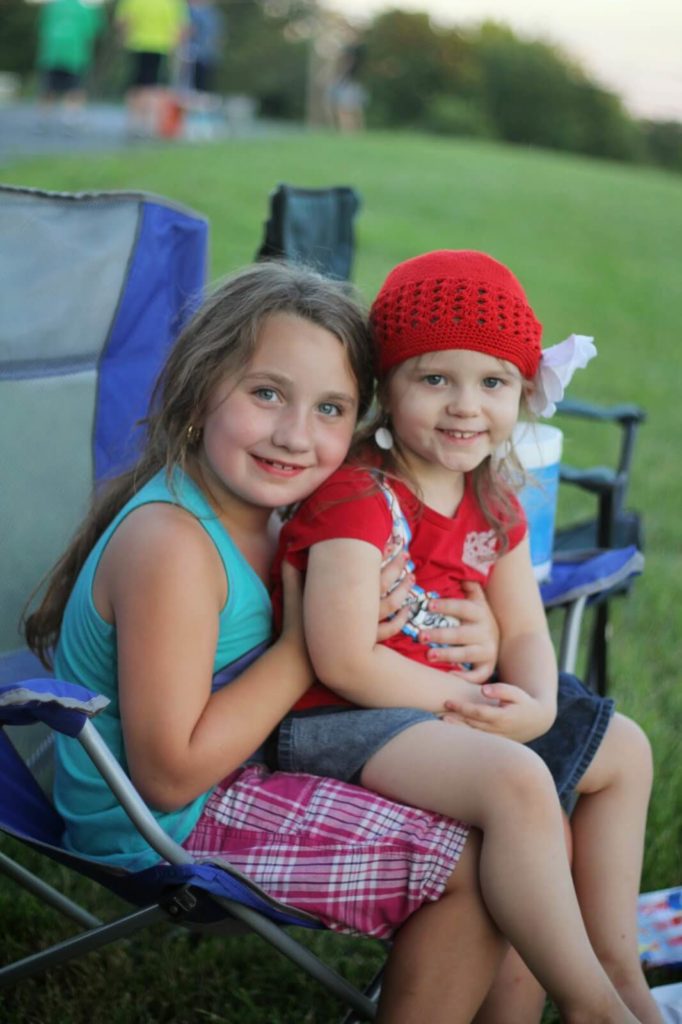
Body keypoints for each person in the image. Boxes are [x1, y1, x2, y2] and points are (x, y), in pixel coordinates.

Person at [25, 260, 513, 1024]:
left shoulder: (293, 511)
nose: (295, 434)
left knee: (513, 834)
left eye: (330, 409)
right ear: (198, 391)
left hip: (257, 760)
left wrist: (473, 624)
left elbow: (404, 598)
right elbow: (168, 775)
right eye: (266, 394)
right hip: (161, 826)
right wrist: (303, 651)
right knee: (477, 867)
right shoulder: (175, 546)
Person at [273, 249, 659, 1022]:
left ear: (522, 389)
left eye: (493, 383)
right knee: (518, 784)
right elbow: (343, 659)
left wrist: (538, 705)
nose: (465, 407)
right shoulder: (358, 495)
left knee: (626, 750)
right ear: (386, 386)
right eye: (434, 379)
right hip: (345, 722)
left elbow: (523, 627)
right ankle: (593, 1007)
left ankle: (616, 962)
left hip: (451, 713)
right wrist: (477, 701)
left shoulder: (495, 495)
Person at [115, 0, 188, 136]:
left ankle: (134, 122)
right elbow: (180, 28)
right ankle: (147, 123)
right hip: (160, 46)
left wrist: (123, 39)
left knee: (136, 84)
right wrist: (176, 49)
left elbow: (122, 21)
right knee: (152, 86)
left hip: (136, 44)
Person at [36, 0, 104, 125]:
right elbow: (93, 30)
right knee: (75, 89)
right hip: (75, 54)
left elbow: (42, 28)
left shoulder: (52, 7)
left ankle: (44, 118)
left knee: (48, 88)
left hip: (52, 53)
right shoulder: (85, 9)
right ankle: (71, 118)